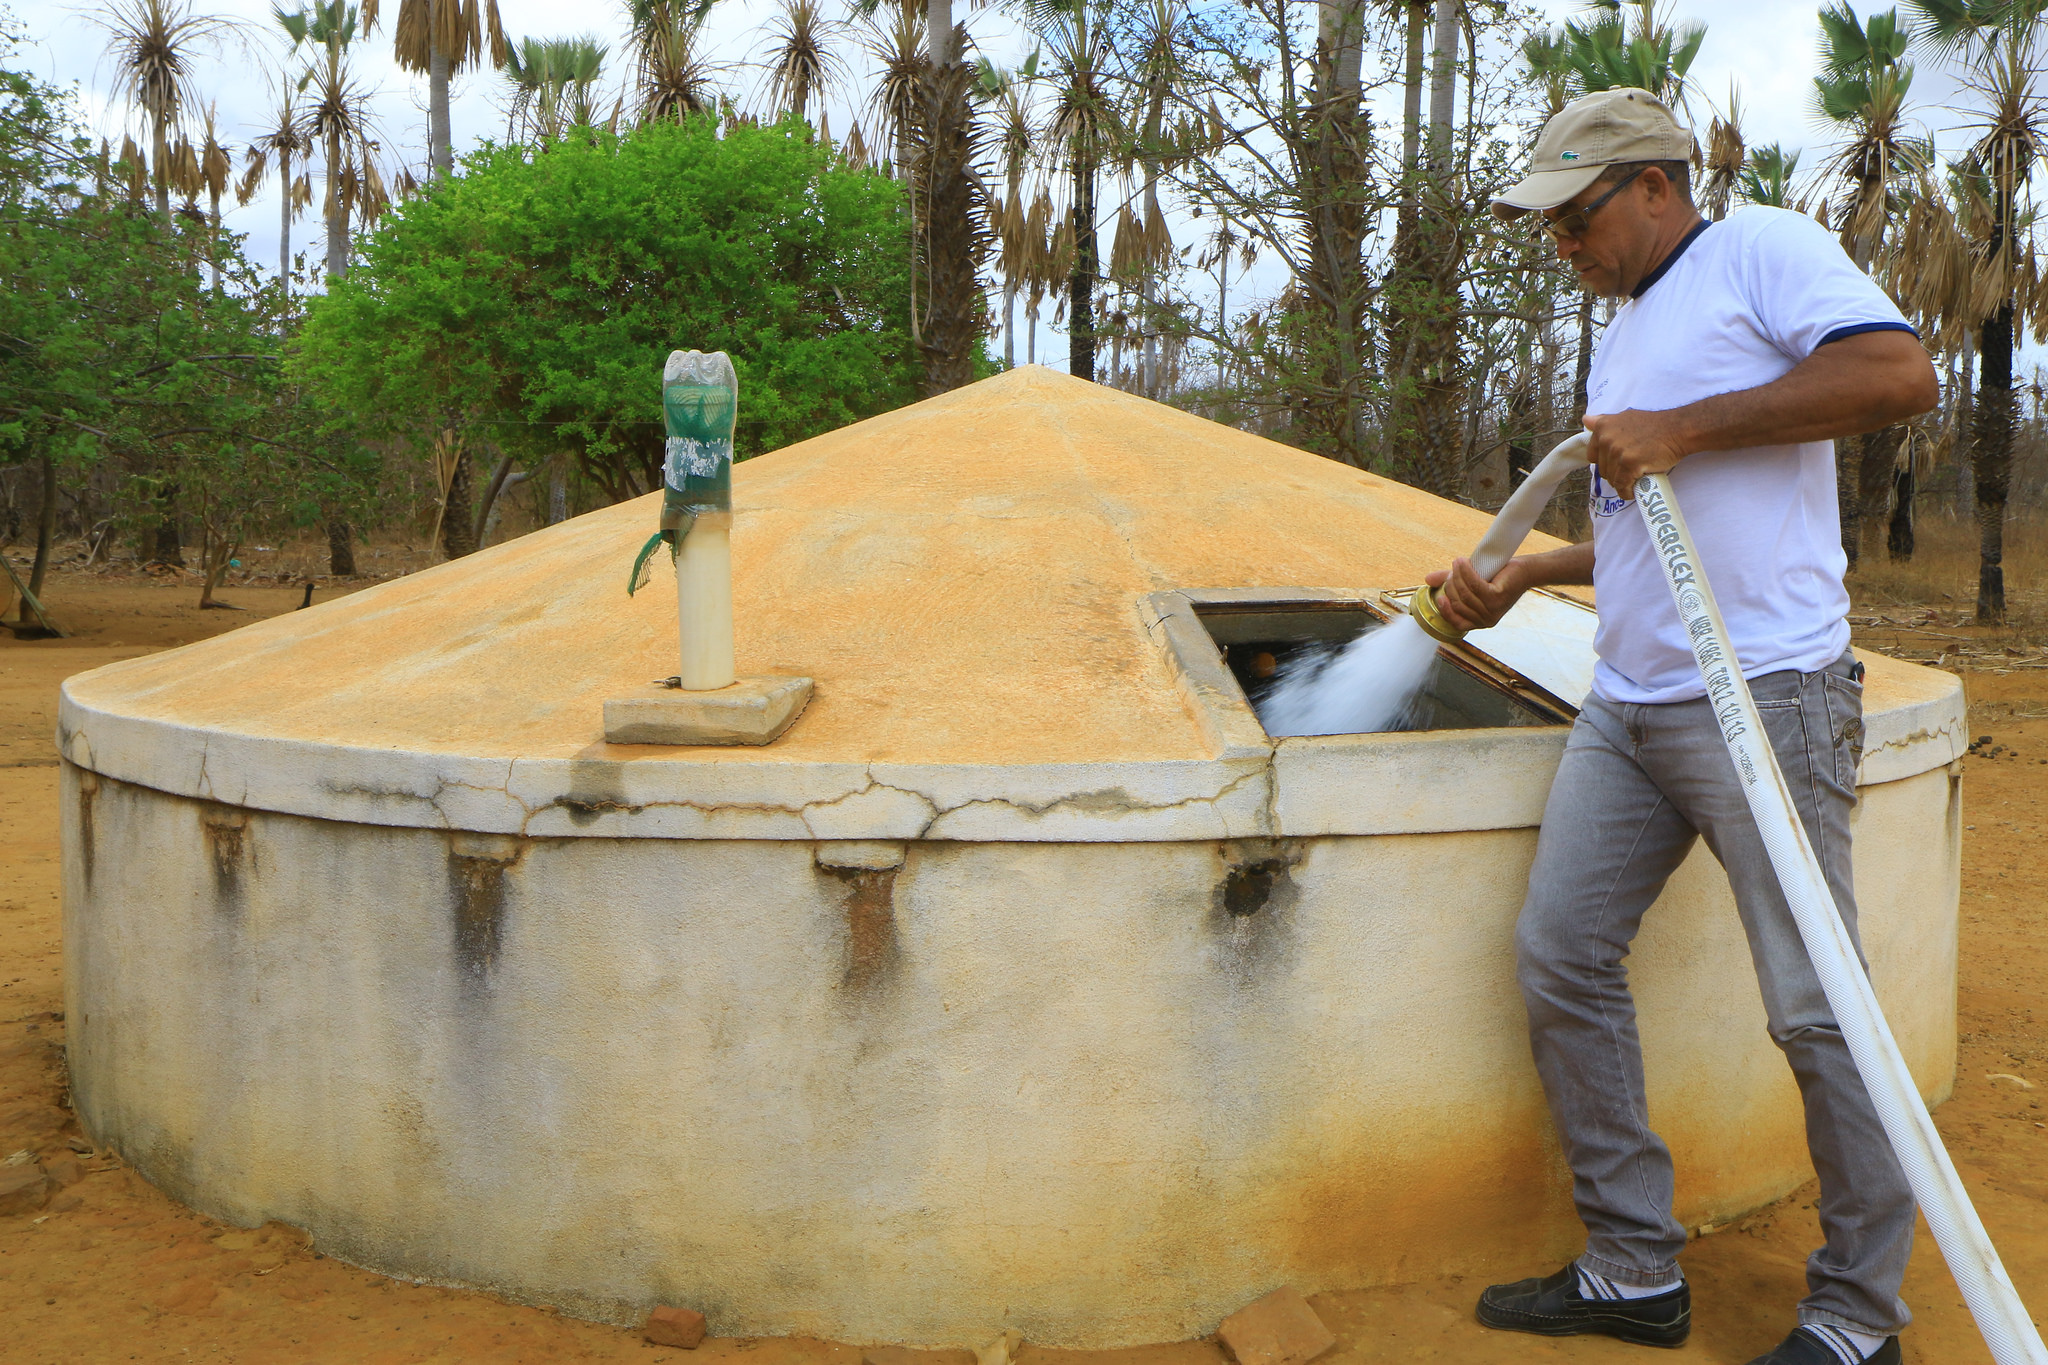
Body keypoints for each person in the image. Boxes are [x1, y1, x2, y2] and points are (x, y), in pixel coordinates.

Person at [1428, 88, 1940, 1365]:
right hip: (1630, 704)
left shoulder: (1756, 248)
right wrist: (1520, 579)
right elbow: (1656, 539)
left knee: (1816, 1012)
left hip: (1762, 695)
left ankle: (1856, 1317)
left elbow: (1898, 373)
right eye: (1548, 228)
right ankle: (1629, 1270)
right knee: (1559, 954)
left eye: (1574, 217)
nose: (1562, 245)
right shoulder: (1632, 330)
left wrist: (1683, 429)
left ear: (1653, 185)